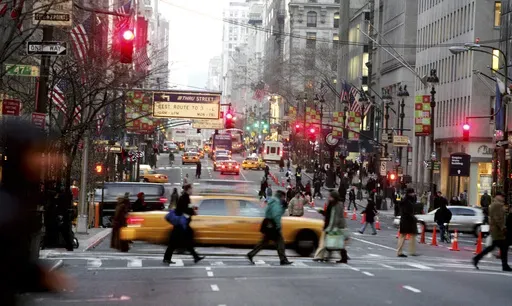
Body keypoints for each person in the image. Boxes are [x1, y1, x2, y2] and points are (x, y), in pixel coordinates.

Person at [0, 119, 71, 305]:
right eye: (38, 153)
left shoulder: (19, 196)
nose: (46, 160)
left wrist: (40, 276)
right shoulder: (7, 206)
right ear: (20, 155)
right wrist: (39, 277)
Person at [247, 190, 292, 265]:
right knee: (280, 242)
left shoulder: (271, 201)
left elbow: (275, 212)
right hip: (273, 225)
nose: (284, 199)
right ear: (281, 196)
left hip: (268, 223)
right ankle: (283, 259)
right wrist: (278, 226)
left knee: (264, 242)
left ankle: (251, 254)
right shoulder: (276, 202)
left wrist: (283, 208)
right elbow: (276, 214)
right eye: (284, 197)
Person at [163, 184, 204, 264]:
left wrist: (192, 210)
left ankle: (195, 257)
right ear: (188, 189)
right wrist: (192, 212)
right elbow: (184, 209)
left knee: (184, 241)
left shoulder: (185, 197)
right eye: (191, 189)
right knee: (175, 241)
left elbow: (187, 208)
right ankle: (167, 258)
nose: (192, 190)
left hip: (182, 223)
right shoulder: (184, 197)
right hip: (181, 223)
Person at [473, 192, 511, 271]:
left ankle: (477, 259)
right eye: (502, 196)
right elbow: (498, 218)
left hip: (495, 229)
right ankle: (477, 258)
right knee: (501, 247)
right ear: (498, 196)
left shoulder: (495, 204)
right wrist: (503, 227)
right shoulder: (497, 205)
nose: (503, 198)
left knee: (499, 247)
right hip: (498, 230)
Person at [313, 191, 348, 263]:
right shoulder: (333, 204)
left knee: (337, 242)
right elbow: (330, 215)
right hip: (334, 226)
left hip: (338, 227)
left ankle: (343, 257)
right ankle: (330, 256)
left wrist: (332, 227)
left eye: (331, 196)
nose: (329, 197)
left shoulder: (337, 205)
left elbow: (336, 217)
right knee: (334, 242)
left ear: (334, 197)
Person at [397, 188, 418, 257]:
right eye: (413, 193)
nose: (414, 194)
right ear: (410, 193)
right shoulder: (406, 201)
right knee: (404, 235)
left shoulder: (409, 199)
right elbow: (407, 210)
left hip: (407, 220)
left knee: (411, 235)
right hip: (407, 220)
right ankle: (401, 252)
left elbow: (398, 202)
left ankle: (411, 251)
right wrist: (413, 217)